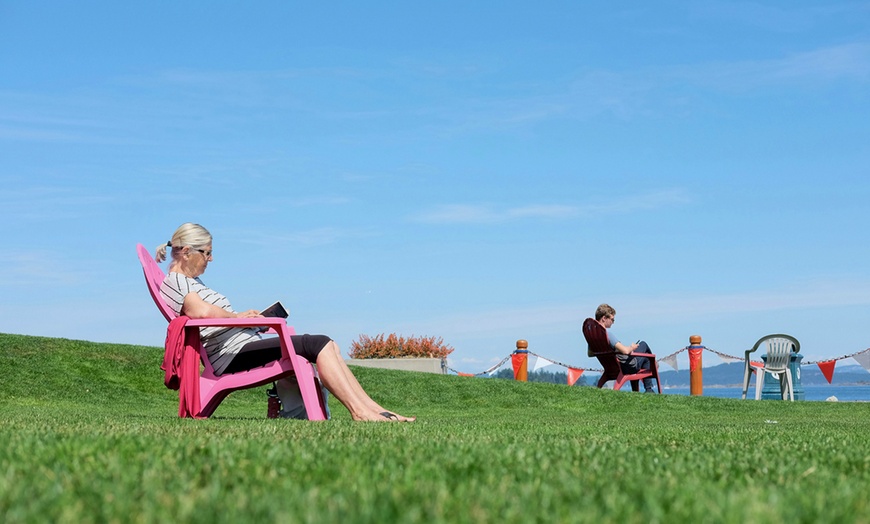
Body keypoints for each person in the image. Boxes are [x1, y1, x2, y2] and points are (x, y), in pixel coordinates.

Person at [155, 222, 415, 422]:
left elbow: (209, 314)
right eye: (207, 253)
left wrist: (253, 321)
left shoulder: (191, 282)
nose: (210, 259)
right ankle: (359, 412)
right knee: (318, 343)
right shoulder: (176, 281)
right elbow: (199, 312)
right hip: (231, 356)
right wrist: (239, 317)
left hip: (240, 346)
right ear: (187, 252)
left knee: (328, 345)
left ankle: (375, 410)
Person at [595, 303, 657, 393]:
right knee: (644, 346)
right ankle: (649, 387)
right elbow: (625, 350)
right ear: (604, 318)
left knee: (646, 357)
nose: (613, 322)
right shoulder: (608, 335)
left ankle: (645, 389)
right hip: (627, 366)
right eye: (612, 319)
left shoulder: (595, 338)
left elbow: (590, 354)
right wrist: (632, 347)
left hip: (610, 367)